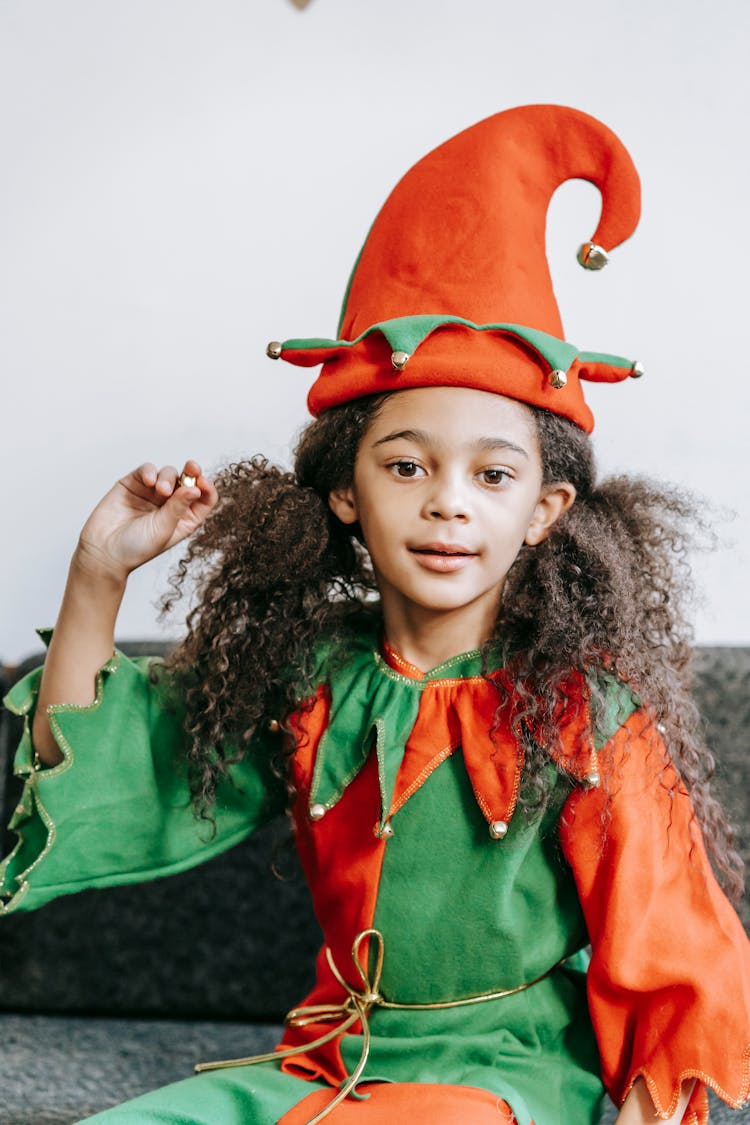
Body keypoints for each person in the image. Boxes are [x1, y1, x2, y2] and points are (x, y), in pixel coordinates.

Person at [1, 105, 749, 1125]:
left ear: (544, 512)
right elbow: (91, 758)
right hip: (325, 1062)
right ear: (346, 489)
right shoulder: (305, 681)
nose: (448, 501)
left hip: (503, 1076)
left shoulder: (589, 715)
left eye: (493, 474)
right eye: (406, 465)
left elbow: (670, 952)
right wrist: (98, 573)